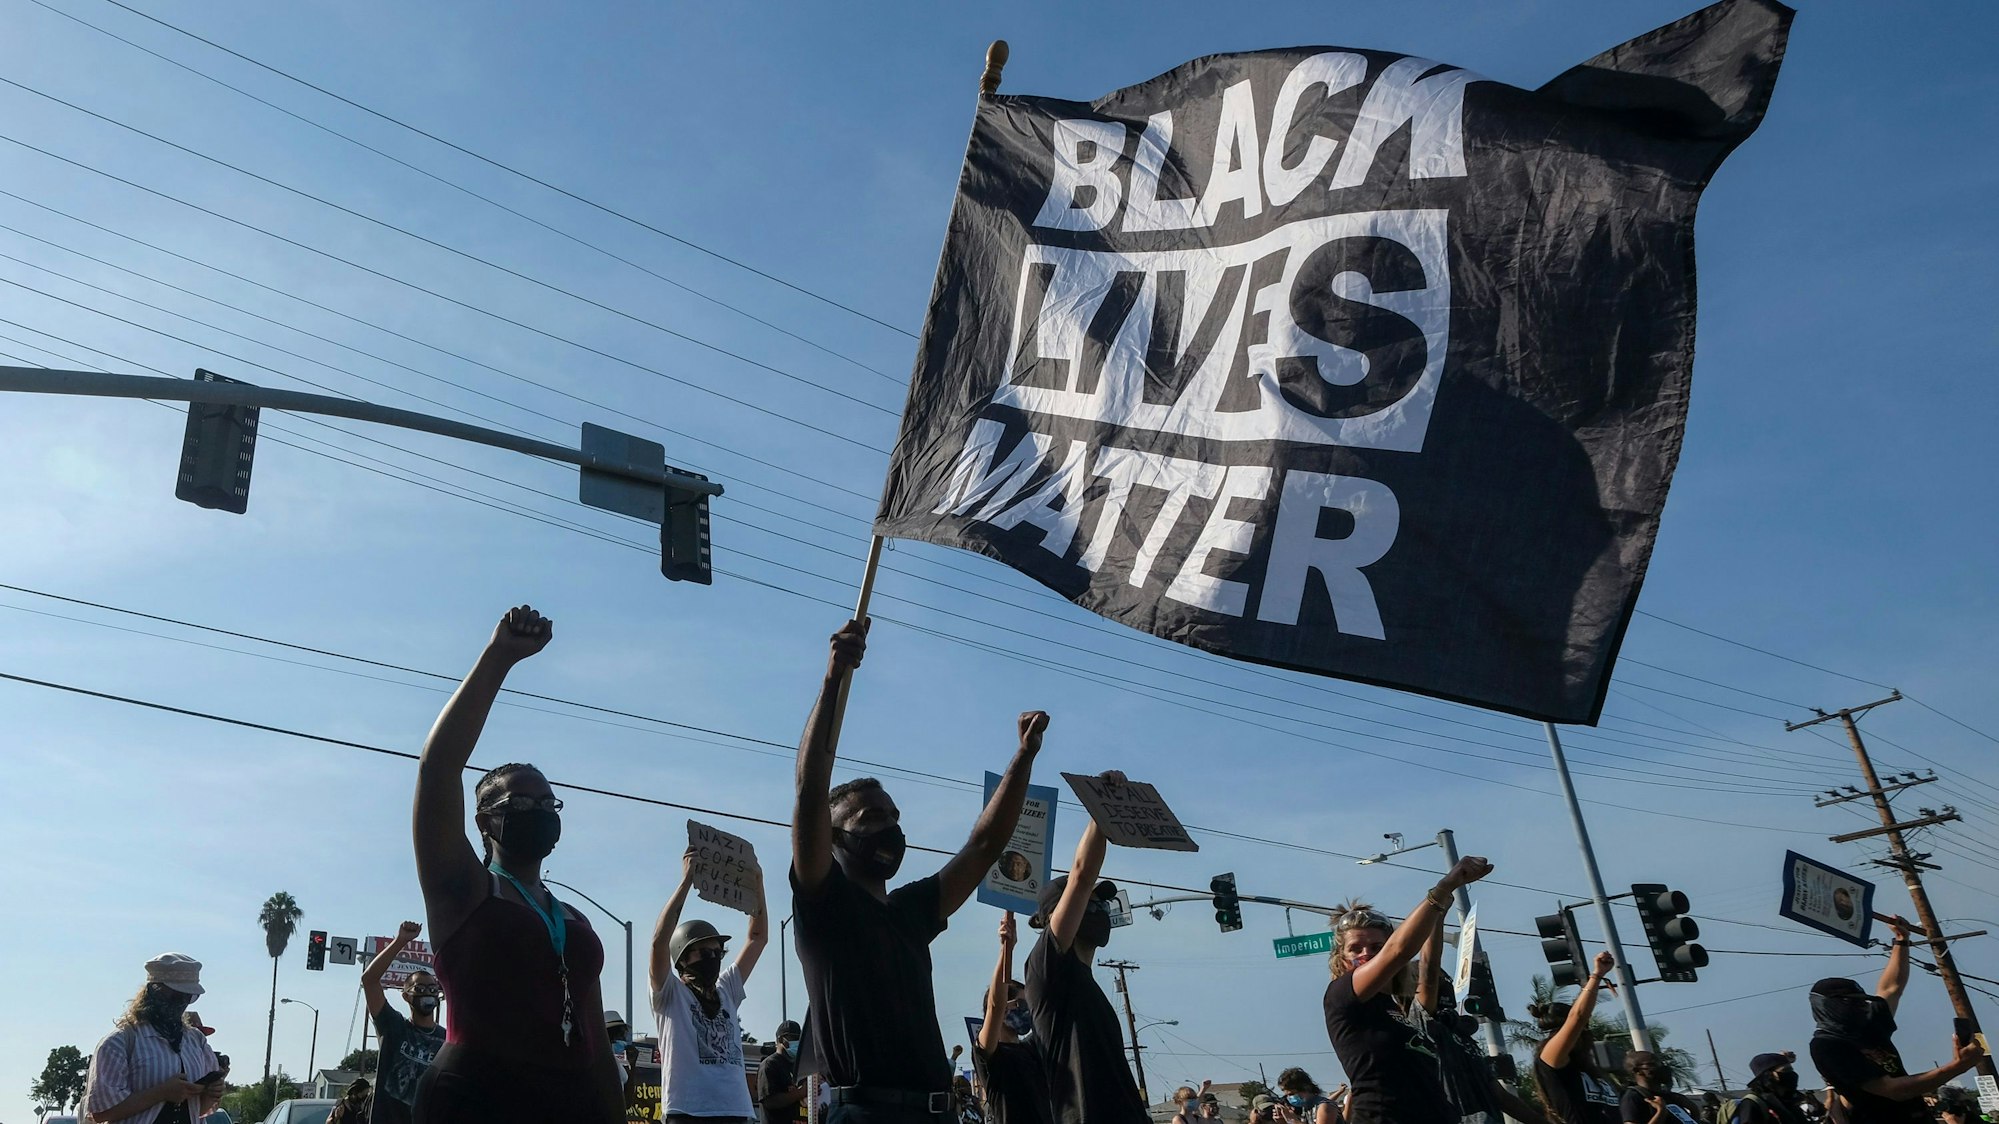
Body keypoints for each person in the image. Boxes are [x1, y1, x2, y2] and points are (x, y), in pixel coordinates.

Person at [789, 617, 1049, 1121]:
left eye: (894, 816)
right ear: (835, 835)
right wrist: (835, 679)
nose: (890, 827)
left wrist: (1024, 757)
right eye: (872, 818)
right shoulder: (825, 904)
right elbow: (808, 791)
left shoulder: (909, 911)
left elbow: (982, 847)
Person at [410, 605, 624, 1124]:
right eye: (520, 804)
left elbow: (594, 1041)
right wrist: (499, 658)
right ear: (484, 822)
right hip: (473, 1099)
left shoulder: (574, 920)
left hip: (570, 1103)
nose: (539, 812)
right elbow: (439, 769)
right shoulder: (464, 890)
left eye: (548, 804)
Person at [1322, 855, 1492, 1124]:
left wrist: (1441, 910)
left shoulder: (1396, 1008)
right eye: (1356, 948)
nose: (1367, 954)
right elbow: (1399, 951)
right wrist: (1444, 887)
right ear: (1342, 959)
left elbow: (1428, 967)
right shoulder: (1341, 997)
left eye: (1377, 947)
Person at [1025, 771, 1147, 1124]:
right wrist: (1101, 811)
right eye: (1088, 904)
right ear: (1055, 916)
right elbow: (1081, 874)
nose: (1099, 910)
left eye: (1101, 904)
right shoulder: (1048, 968)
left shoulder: (1089, 986)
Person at [1808, 916, 1985, 1124]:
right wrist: (1957, 1067)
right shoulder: (1827, 1046)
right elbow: (1894, 1090)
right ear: (1828, 1006)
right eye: (1853, 1002)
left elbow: (1891, 988)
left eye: (1863, 1002)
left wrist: (1901, 940)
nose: (1863, 1006)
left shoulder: (1866, 1025)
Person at [649, 845, 769, 1123]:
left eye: (718, 953)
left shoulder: (727, 989)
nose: (714, 958)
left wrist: (757, 885)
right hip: (689, 1112)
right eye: (704, 953)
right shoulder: (669, 994)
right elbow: (658, 942)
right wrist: (686, 882)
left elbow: (757, 938)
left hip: (736, 1111)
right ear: (682, 959)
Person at [82, 953, 228, 1124]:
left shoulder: (196, 1041)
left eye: (188, 997)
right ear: (154, 991)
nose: (182, 1003)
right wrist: (162, 1093)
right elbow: (101, 1113)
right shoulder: (119, 1043)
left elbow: (198, 1111)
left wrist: (211, 1094)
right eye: (176, 995)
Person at [361, 921, 446, 1124]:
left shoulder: (447, 1040)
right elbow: (369, 981)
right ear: (406, 996)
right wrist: (401, 941)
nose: (427, 993)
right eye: (420, 988)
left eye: (432, 989)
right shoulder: (394, 1026)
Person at [973, 912, 1052, 1124]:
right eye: (1021, 1004)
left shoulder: (1033, 1050)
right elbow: (995, 1005)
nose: (1027, 1011)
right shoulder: (990, 1056)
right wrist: (1006, 950)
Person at [1534, 951, 1622, 1124]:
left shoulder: (1588, 1070)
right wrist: (1597, 975)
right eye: (1581, 1030)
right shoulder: (1551, 1059)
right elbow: (1578, 1017)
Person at [1620, 1053, 1702, 1124]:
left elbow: (1694, 1114)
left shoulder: (1670, 1096)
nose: (1660, 1067)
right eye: (1653, 1064)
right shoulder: (1633, 1097)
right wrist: (1661, 1112)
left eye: (1661, 1063)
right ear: (1637, 1070)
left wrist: (1693, 1109)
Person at [1729, 1054, 1808, 1124]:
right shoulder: (1753, 1103)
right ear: (1768, 1075)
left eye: (1791, 1070)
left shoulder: (1789, 1102)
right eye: (1785, 1070)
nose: (1791, 1074)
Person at [757, 1022, 807, 1124]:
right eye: (793, 1038)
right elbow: (769, 1100)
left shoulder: (798, 1066)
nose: (797, 1042)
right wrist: (800, 1093)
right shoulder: (769, 1064)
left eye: (799, 1039)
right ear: (780, 1040)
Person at [1274, 1069, 1339, 1124]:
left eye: (1292, 1094)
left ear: (1306, 1088)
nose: (1289, 1098)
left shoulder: (1324, 1106)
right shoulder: (1306, 1108)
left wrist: (1292, 1120)